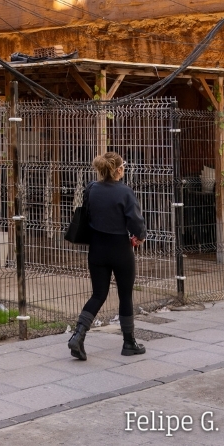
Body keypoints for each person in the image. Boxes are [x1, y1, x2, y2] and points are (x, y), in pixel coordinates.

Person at [67, 151, 147, 361]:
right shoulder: (125, 192)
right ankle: (129, 343)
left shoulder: (92, 189)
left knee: (98, 294)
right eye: (123, 167)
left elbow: (89, 214)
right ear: (119, 170)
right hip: (120, 248)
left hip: (97, 249)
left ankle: (78, 335)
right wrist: (140, 236)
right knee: (125, 295)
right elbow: (135, 222)